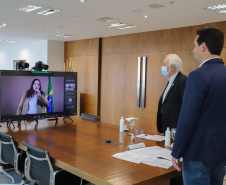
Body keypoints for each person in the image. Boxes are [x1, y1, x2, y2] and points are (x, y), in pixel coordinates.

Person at [171, 28, 226, 185]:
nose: (193, 50)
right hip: (221, 153)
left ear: (203, 46)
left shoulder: (197, 75)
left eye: (195, 45)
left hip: (198, 154)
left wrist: (177, 150)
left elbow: (188, 117)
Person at [157, 54, 187, 134]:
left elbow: (186, 106)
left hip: (175, 131)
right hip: (167, 129)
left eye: (164, 64)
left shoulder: (182, 80)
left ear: (172, 67)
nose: (162, 66)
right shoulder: (171, 81)